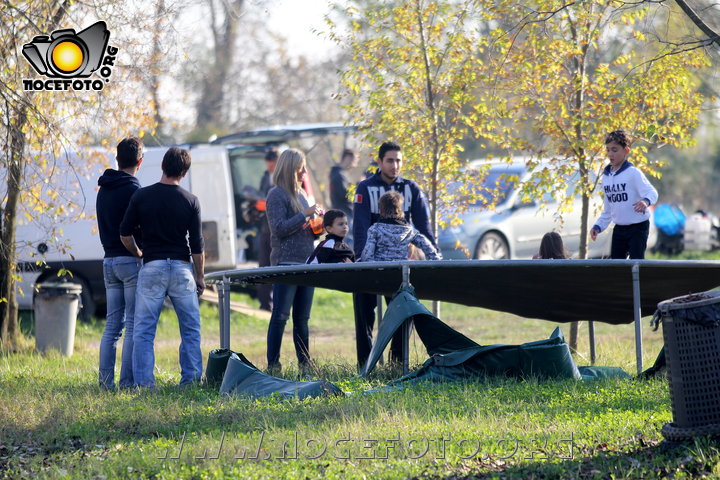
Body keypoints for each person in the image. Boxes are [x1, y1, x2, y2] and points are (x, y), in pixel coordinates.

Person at [120, 147, 205, 388]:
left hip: (152, 267)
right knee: (190, 329)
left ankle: (145, 385)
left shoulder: (141, 196)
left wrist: (139, 253)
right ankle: (191, 381)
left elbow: (124, 233)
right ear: (184, 172)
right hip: (181, 268)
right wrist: (200, 276)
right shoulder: (191, 200)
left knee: (144, 331)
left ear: (162, 166)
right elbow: (197, 245)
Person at [352, 141, 435, 367]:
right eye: (390, 160)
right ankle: (366, 363)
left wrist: (432, 257)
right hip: (369, 265)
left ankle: (397, 362)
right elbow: (359, 228)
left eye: (398, 160)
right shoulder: (365, 188)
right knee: (362, 305)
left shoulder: (411, 189)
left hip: (401, 267)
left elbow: (424, 228)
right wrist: (362, 263)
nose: (395, 165)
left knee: (405, 308)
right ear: (379, 162)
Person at [265, 148, 323, 372]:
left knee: (302, 319)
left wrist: (318, 227)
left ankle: (305, 365)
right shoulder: (276, 194)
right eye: (301, 168)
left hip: (306, 263)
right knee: (280, 315)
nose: (305, 172)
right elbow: (278, 229)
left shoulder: (300, 194)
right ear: (290, 169)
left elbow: (301, 228)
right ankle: (273, 365)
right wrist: (305, 214)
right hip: (285, 264)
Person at [96, 137, 144, 390]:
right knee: (134, 324)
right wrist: (139, 252)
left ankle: (105, 384)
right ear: (140, 161)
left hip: (108, 261)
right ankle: (127, 383)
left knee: (112, 326)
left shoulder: (104, 188)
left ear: (117, 159)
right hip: (130, 261)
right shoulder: (135, 190)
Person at [590, 130, 658, 259]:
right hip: (619, 228)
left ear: (626, 151)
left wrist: (645, 201)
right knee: (617, 265)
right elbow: (608, 209)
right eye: (608, 150)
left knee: (636, 263)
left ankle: (638, 279)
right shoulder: (606, 177)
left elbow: (652, 192)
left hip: (638, 227)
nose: (610, 154)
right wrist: (598, 226)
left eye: (615, 150)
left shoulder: (633, 173)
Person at [361, 191, 440, 262]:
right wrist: (436, 262)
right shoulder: (409, 231)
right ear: (400, 210)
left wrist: (372, 269)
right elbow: (426, 245)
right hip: (401, 272)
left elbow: (367, 255)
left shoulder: (375, 229)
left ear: (381, 210)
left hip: (380, 273)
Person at [256, 148, 279, 311]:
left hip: (278, 230)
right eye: (268, 166)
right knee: (263, 264)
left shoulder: (285, 179)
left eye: (272, 166)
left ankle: (277, 302)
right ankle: (264, 303)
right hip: (265, 227)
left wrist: (266, 204)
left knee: (276, 266)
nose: (270, 169)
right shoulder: (265, 176)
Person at [328, 149, 358, 219]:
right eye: (354, 161)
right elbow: (345, 195)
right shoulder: (339, 175)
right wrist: (359, 186)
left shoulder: (338, 173)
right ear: (347, 158)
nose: (354, 165)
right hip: (345, 214)